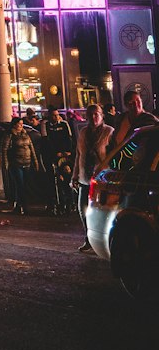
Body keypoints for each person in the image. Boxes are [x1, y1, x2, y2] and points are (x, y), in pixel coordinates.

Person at [72, 103, 112, 252]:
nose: (94, 117)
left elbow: (113, 157)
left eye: (97, 114)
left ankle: (101, 240)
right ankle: (88, 239)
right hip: (84, 177)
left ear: (102, 115)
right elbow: (78, 155)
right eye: (91, 114)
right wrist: (74, 175)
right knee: (82, 209)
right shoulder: (83, 132)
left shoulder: (109, 132)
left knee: (101, 211)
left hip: (101, 179)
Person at [3, 115, 40, 215]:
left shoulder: (25, 134)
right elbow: (5, 149)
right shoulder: (10, 135)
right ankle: (23, 206)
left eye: (22, 124)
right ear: (14, 125)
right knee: (20, 185)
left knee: (24, 185)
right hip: (16, 163)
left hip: (27, 163)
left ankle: (19, 205)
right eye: (19, 124)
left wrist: (35, 162)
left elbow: (31, 148)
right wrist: (6, 164)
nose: (21, 126)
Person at [42, 107, 75, 215]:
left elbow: (69, 138)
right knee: (53, 180)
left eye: (57, 115)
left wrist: (67, 152)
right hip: (52, 157)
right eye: (53, 115)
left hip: (65, 157)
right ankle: (55, 202)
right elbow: (46, 141)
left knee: (66, 178)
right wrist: (55, 153)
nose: (55, 117)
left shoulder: (64, 124)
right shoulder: (45, 125)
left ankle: (69, 202)